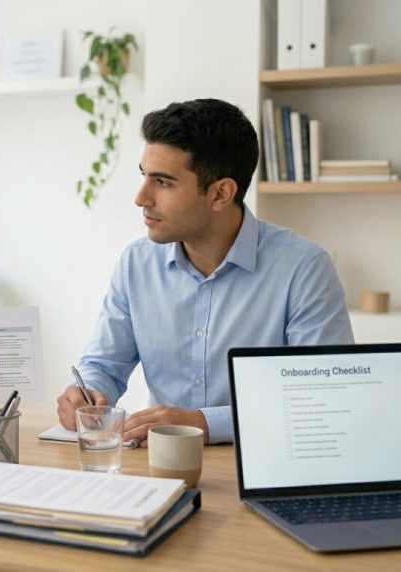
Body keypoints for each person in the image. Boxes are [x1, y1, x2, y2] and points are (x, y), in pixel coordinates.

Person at [56, 98, 353, 446]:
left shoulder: (303, 269)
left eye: (163, 182)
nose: (141, 197)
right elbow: (103, 365)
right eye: (144, 176)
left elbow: (322, 397)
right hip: (160, 461)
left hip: (263, 458)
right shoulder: (136, 263)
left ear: (221, 193)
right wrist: (87, 392)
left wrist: (206, 423)